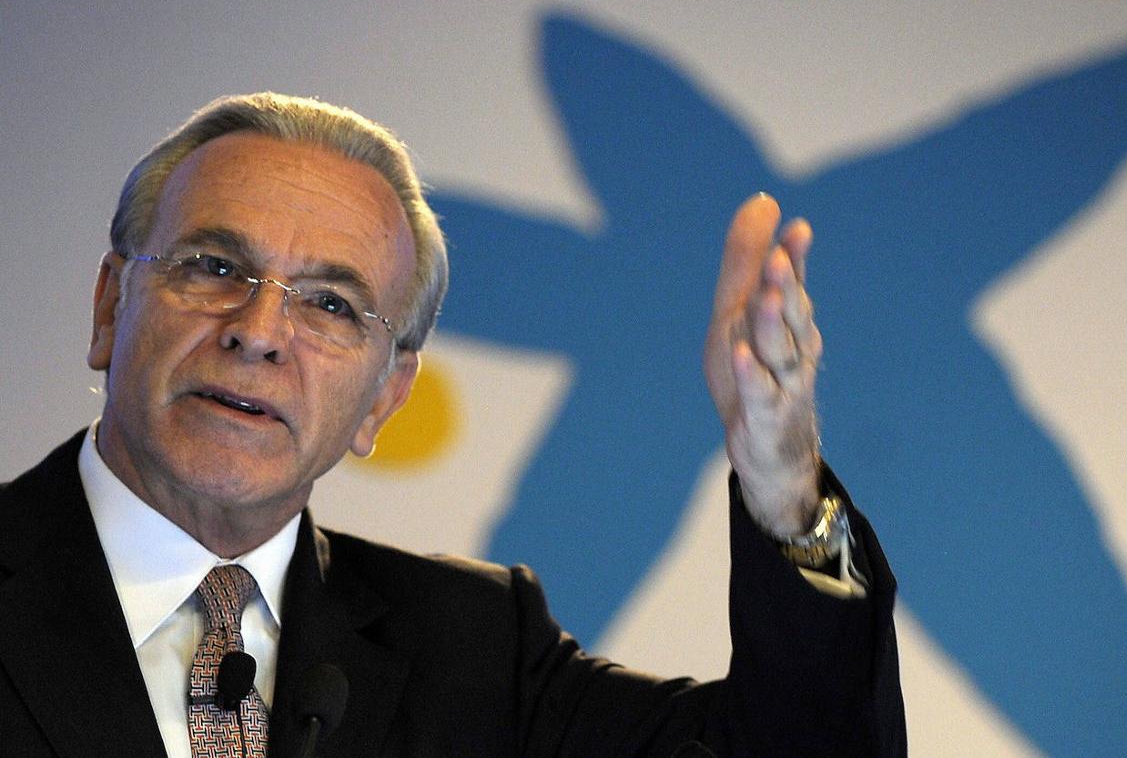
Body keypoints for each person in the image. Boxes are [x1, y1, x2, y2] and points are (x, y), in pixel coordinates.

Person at [0, 93, 904, 757]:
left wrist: (787, 492)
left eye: (330, 304)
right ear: (111, 306)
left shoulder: (473, 651)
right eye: (213, 266)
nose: (260, 331)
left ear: (385, 397)